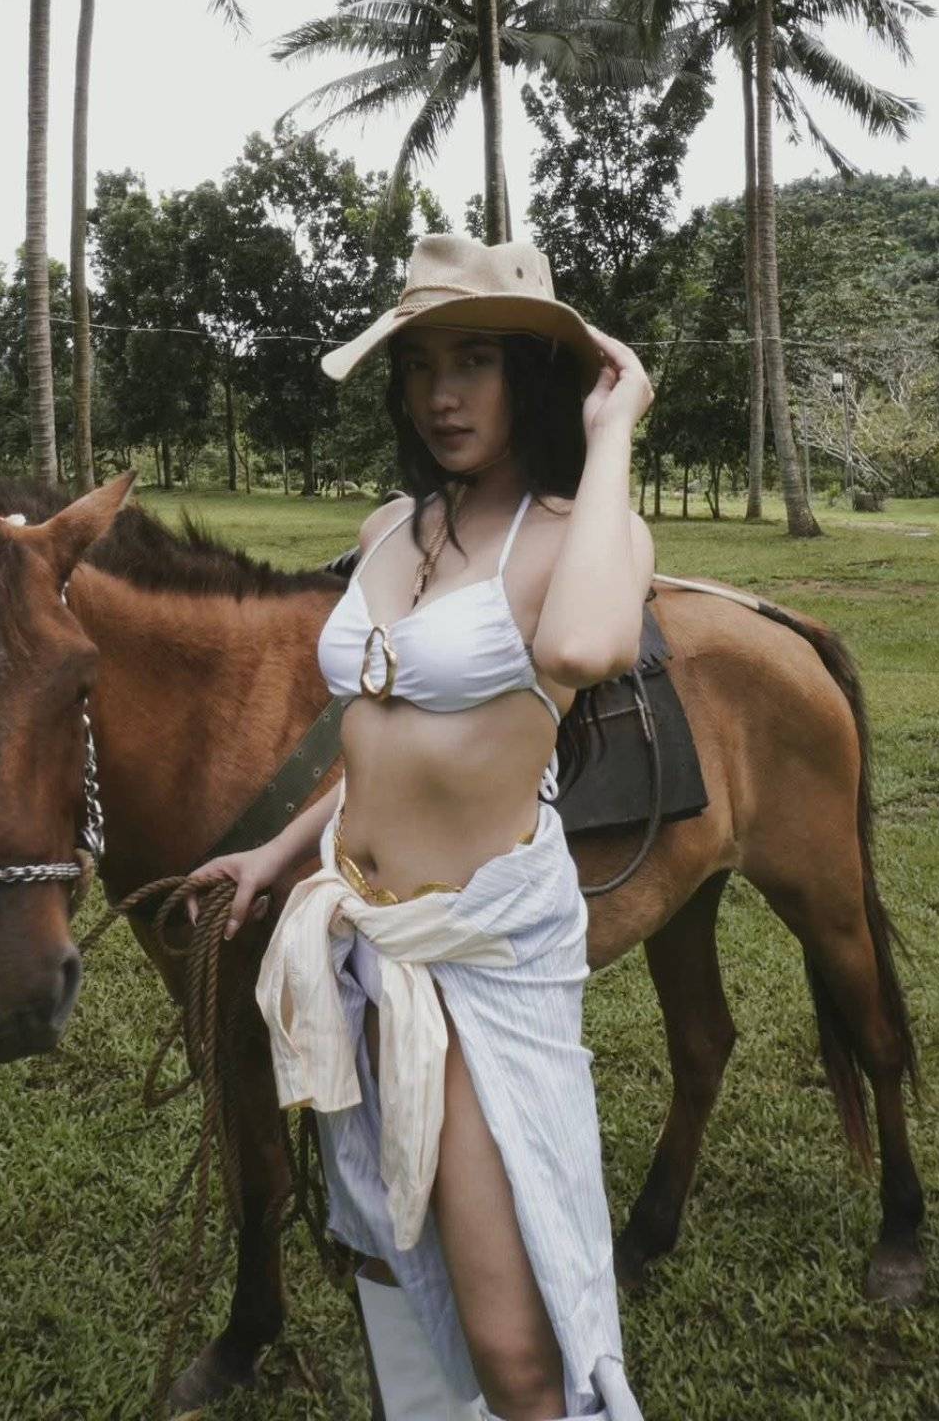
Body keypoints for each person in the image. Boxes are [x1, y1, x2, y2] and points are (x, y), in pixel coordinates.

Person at [183, 235, 656, 1421]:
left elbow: (585, 648)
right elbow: (375, 737)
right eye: (419, 366)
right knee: (395, 1255)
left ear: (531, 377)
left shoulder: (576, 536)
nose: (441, 394)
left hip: (478, 960)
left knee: (512, 1339)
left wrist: (613, 433)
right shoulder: (391, 526)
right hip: (361, 936)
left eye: (475, 360)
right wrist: (276, 854)